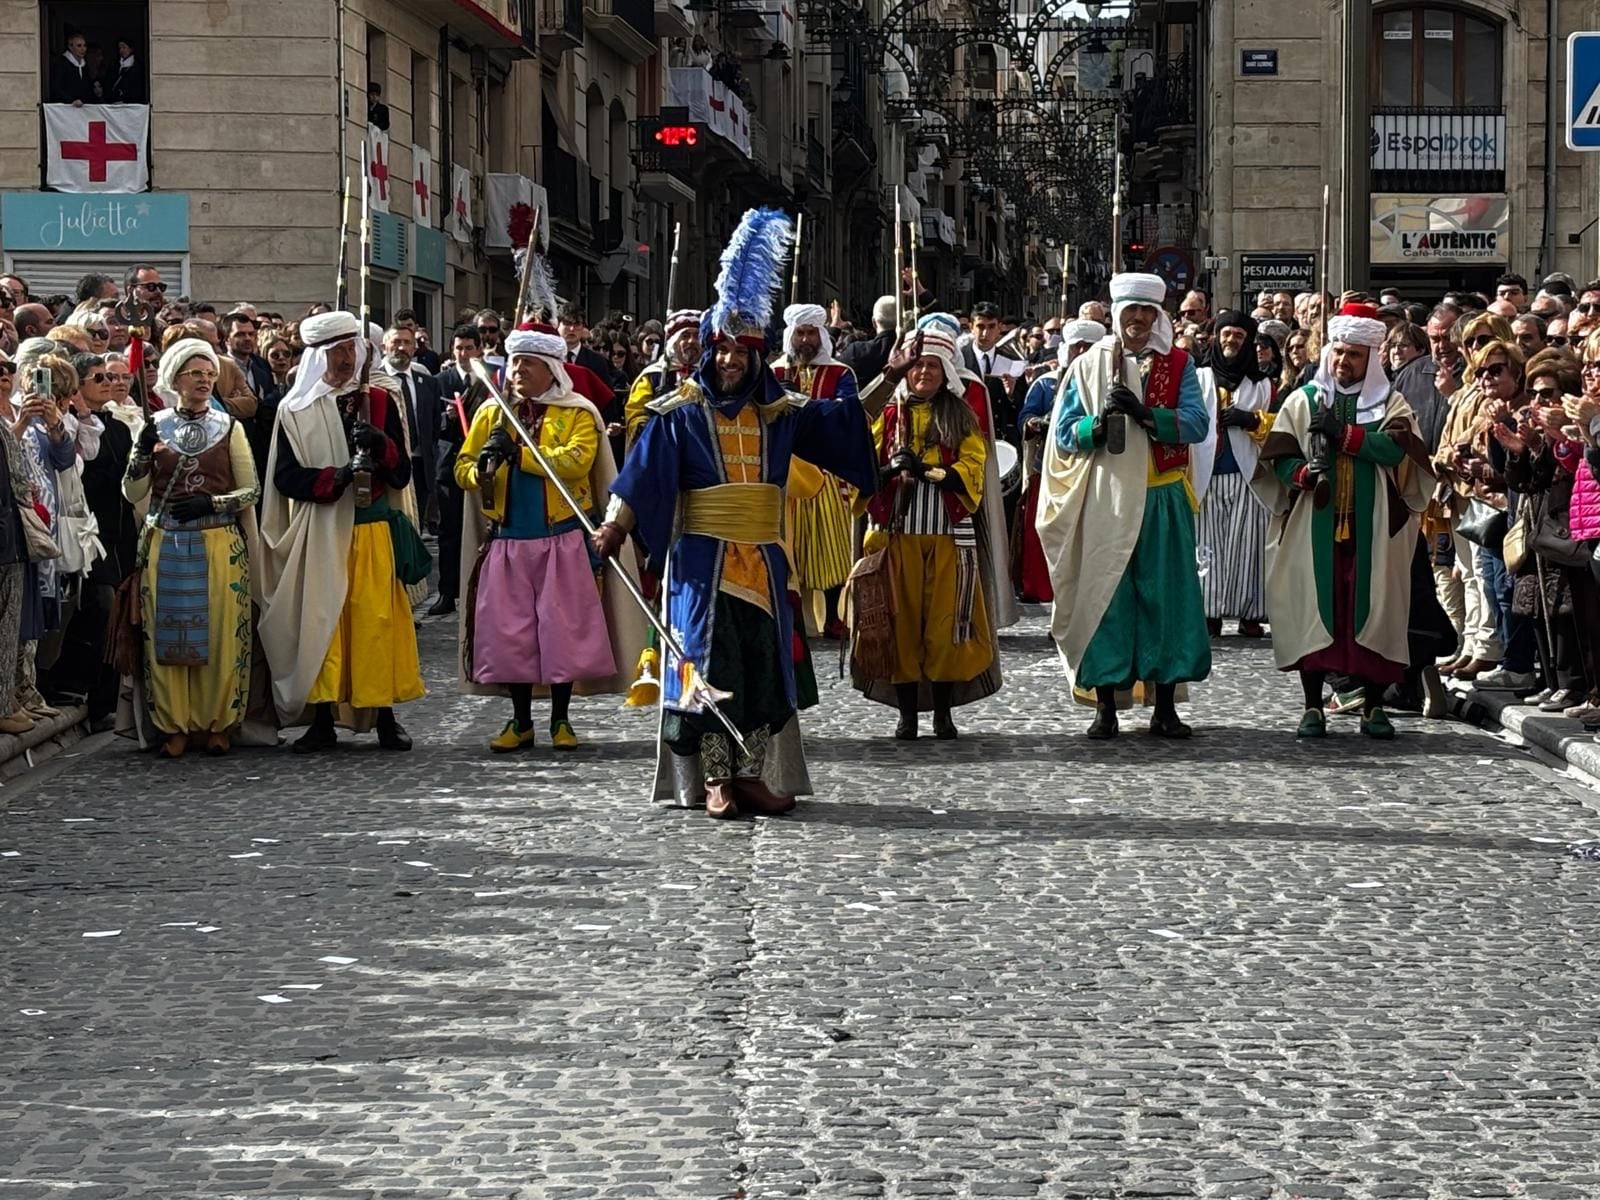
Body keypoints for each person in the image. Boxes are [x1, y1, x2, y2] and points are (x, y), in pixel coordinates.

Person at [592, 207, 879, 819]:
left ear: (755, 360)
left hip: (766, 566)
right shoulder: (678, 414)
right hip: (704, 564)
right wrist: (615, 526)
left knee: (758, 676)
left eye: (742, 356)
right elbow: (642, 474)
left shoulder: (779, 413)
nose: (730, 363)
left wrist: (891, 377)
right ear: (708, 353)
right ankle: (717, 780)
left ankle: (750, 775)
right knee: (712, 677)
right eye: (721, 353)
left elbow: (840, 424)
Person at [1035, 272, 1214, 739]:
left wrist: (1145, 415)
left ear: (1157, 315)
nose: (1137, 318)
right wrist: (1098, 425)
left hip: (1162, 497)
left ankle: (1165, 705)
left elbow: (1196, 424)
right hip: (1108, 499)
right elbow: (1064, 433)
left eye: (1146, 311)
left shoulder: (1178, 366)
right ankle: (1106, 706)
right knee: (1107, 597)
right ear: (1117, 314)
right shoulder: (1088, 366)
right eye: (1130, 310)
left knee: (1166, 599)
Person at [455, 326, 643, 751]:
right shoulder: (491, 413)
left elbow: (576, 463)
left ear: (551, 369)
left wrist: (518, 454)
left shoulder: (577, 413)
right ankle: (520, 721)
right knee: (510, 633)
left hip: (560, 539)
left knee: (562, 631)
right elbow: (462, 468)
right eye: (515, 362)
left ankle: (561, 719)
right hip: (508, 540)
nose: (518, 370)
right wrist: (484, 467)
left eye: (528, 363)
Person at [1253, 303, 1432, 738]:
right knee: (1314, 611)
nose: (1342, 362)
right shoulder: (1303, 400)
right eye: (1337, 352)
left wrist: (1347, 436)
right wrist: (1300, 474)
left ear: (1370, 357)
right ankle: (1313, 704)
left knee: (1373, 613)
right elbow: (1277, 457)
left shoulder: (1391, 403)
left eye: (1353, 354)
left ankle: (1373, 706)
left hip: (1374, 528)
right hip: (1313, 523)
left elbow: (1398, 450)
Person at [258, 310, 425, 753]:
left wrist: (381, 445)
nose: (347, 359)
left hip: (370, 531)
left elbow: (403, 474)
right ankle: (323, 718)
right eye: (337, 351)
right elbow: (285, 477)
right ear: (317, 356)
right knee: (324, 625)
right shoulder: (295, 410)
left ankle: (385, 714)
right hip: (322, 532)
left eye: (352, 348)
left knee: (376, 624)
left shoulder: (380, 401)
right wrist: (340, 476)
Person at [850, 325, 1000, 739]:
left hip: (949, 535)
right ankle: (907, 716)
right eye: (917, 365)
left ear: (945, 371)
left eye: (933, 366)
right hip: (896, 535)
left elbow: (972, 466)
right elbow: (861, 465)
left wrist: (930, 471)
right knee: (899, 623)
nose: (924, 374)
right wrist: (886, 471)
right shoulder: (888, 414)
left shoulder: (959, 414)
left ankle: (942, 714)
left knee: (946, 625)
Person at [121, 340, 259, 757]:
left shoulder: (229, 427)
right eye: (196, 373)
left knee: (219, 636)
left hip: (217, 543)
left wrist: (213, 503)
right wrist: (141, 454)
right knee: (165, 638)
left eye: (209, 374)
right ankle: (173, 724)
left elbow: (250, 491)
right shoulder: (154, 426)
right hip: (165, 543)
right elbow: (132, 492)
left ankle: (218, 722)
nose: (204, 380)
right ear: (176, 378)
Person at [771, 303, 859, 633]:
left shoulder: (840, 373)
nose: (805, 340)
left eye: (811, 333)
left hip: (828, 469)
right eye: (800, 333)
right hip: (787, 470)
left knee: (831, 544)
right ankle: (794, 615)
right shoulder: (775, 373)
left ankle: (837, 614)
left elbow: (846, 412)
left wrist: (804, 405)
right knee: (789, 546)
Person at [1198, 310, 1277, 638]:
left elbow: (1282, 427)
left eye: (1239, 336)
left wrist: (1252, 421)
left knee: (1247, 547)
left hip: (1248, 475)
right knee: (1206, 547)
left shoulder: (1263, 385)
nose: (1232, 341)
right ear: (1217, 337)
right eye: (1226, 334)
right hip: (1206, 473)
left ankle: (1250, 614)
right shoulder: (1197, 377)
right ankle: (1208, 612)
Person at [1015, 319, 1104, 603]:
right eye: (1078, 347)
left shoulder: (1109, 383)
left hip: (1093, 468)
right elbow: (1025, 418)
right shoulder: (1046, 383)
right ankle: (1042, 587)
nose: (1082, 352)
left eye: (1088, 348)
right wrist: (1038, 423)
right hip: (1049, 467)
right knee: (1045, 531)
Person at [428, 324, 482, 617]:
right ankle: (448, 592)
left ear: (478, 349)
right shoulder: (440, 381)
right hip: (449, 465)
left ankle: (481, 590)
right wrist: (447, 418)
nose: (463, 354)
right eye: (459, 348)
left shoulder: (490, 381)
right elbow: (430, 424)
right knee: (449, 532)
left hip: (481, 466)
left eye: (469, 348)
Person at [381, 325, 440, 519]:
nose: (401, 348)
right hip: (388, 465)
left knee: (417, 525)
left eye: (407, 343)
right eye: (396, 342)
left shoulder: (429, 383)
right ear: (384, 346)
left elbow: (434, 424)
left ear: (414, 348)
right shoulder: (374, 380)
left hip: (420, 465)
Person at [624, 309, 701, 448]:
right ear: (674, 341)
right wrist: (652, 421)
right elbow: (635, 414)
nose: (691, 341)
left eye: (697, 336)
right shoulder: (653, 375)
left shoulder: (709, 375)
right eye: (685, 335)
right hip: (660, 449)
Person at [50, 32, 98, 105]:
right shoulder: (62, 63)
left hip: (82, 107)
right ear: (70, 47)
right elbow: (57, 87)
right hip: (67, 107)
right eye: (79, 46)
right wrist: (71, 100)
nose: (83, 49)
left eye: (84, 46)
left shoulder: (85, 64)